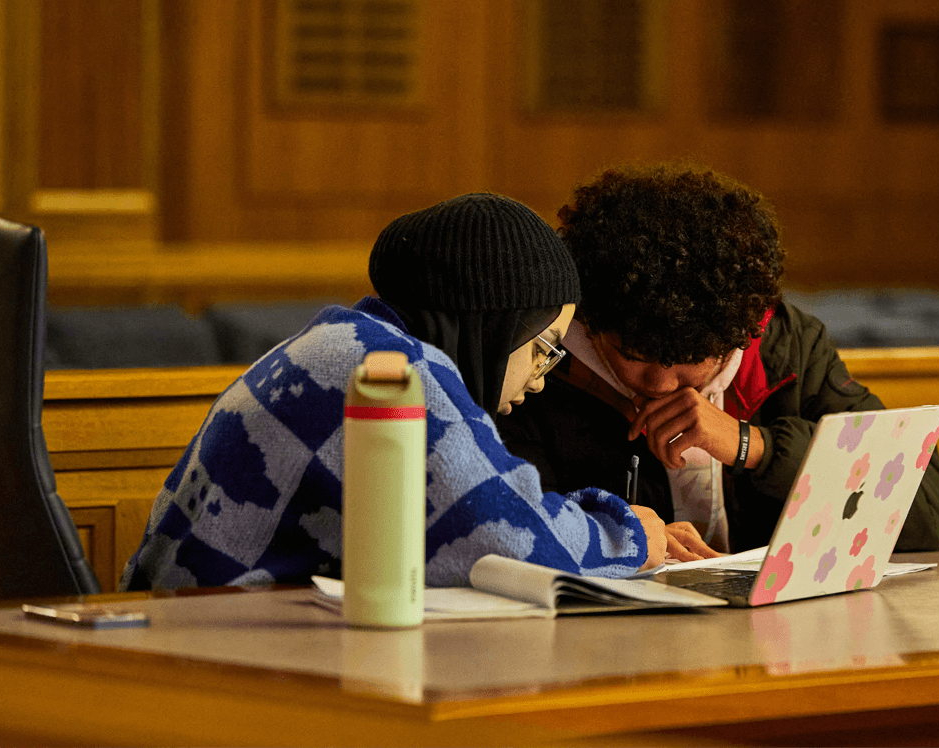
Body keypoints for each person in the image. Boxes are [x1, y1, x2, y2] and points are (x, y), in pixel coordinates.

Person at [121, 193, 665, 591]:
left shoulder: (349, 342)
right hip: (206, 653)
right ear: (494, 324)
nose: (542, 375)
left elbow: (475, 506)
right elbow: (504, 539)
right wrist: (630, 535)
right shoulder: (391, 371)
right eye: (543, 347)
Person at [497, 164, 939, 560]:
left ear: (737, 334)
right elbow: (503, 528)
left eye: (690, 361)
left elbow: (927, 516)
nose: (659, 383)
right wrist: (620, 539)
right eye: (632, 356)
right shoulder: (535, 368)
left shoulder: (787, 347)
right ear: (593, 324)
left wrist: (754, 446)